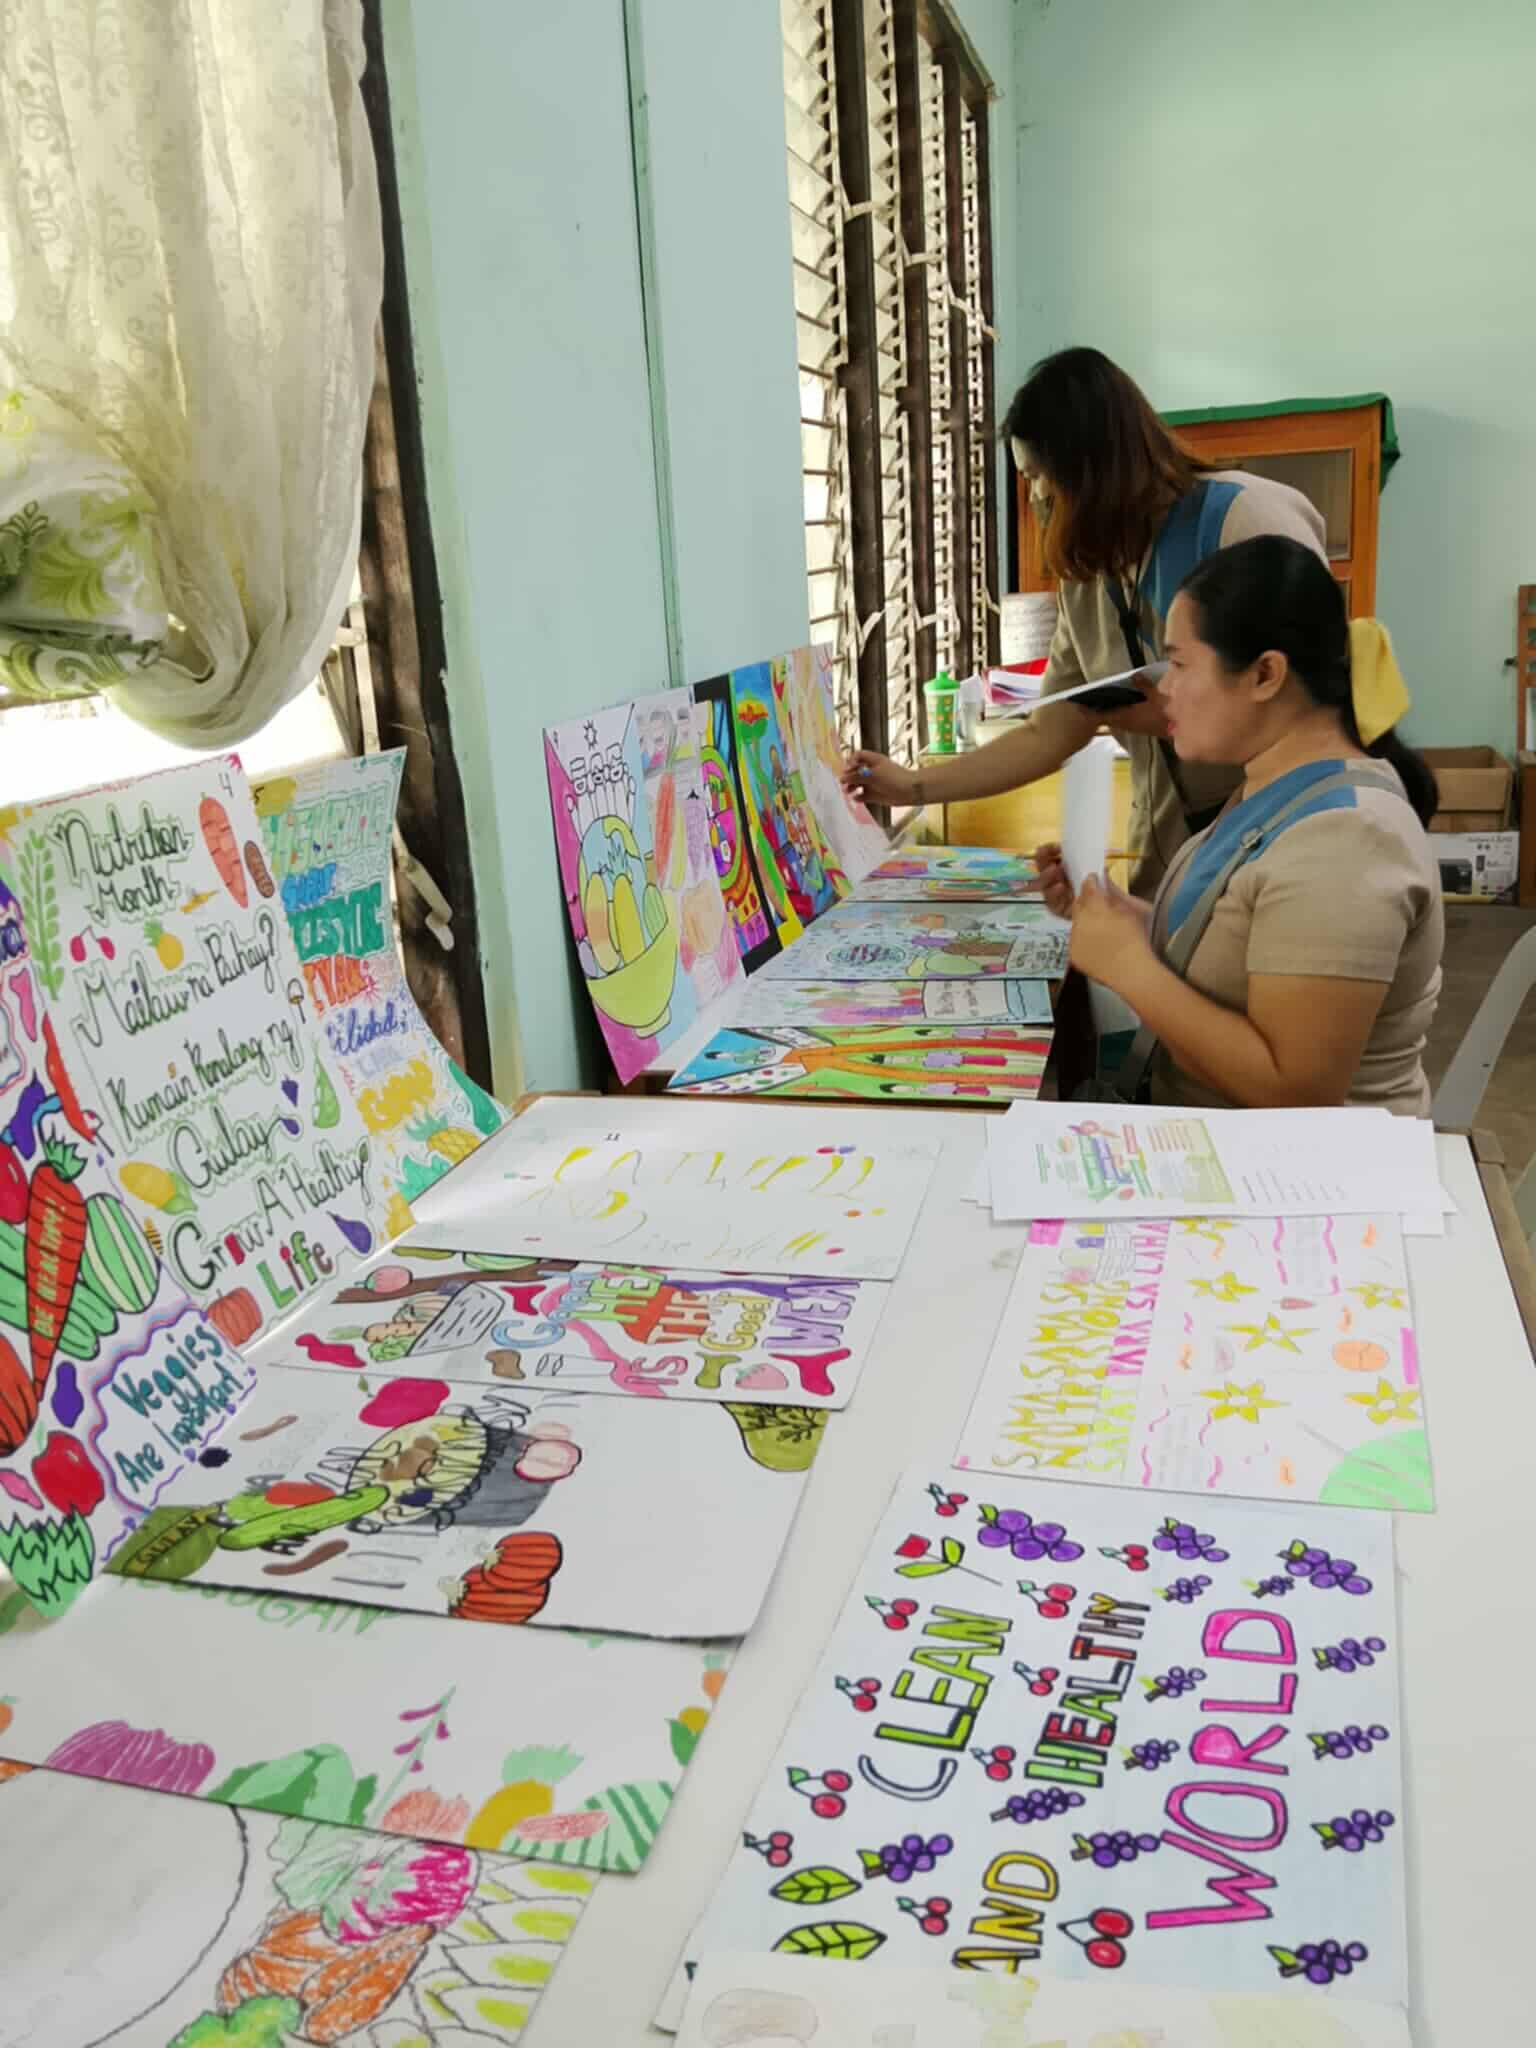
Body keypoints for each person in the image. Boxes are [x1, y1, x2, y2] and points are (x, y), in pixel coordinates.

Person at [842, 347, 1330, 897]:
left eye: (1039, 476)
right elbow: (1049, 731)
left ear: (1092, 467)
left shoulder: (1243, 521)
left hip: (1273, 840)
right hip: (1172, 855)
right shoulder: (1090, 572)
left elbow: (1315, 706)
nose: (1036, 497)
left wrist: (1171, 712)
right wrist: (912, 786)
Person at [1032, 536, 1442, 1114]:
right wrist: (1121, 921)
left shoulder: (1347, 843)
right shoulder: (1273, 786)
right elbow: (1243, 946)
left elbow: (1296, 1092)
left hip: (1306, 1163)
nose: (1163, 689)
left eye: (1179, 664)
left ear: (1265, 674)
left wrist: (1126, 965)